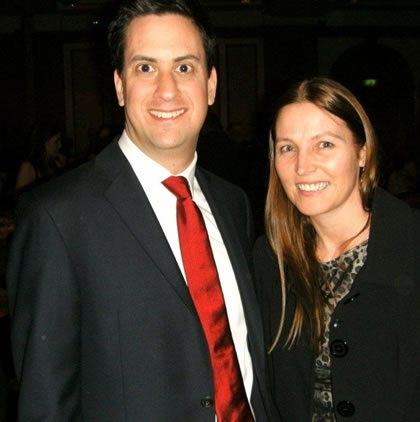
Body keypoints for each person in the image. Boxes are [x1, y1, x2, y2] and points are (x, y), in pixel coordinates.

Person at [7, 0, 271, 421]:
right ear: (118, 85)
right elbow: (46, 401)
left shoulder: (233, 203)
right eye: (145, 68)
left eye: (184, 67)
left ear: (211, 84)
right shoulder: (56, 218)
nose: (167, 90)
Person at [253, 77, 420, 421]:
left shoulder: (411, 246)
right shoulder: (270, 260)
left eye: (325, 145)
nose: (302, 166)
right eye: (288, 148)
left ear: (362, 152)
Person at [15, 122, 66, 193]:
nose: (60, 145)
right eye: (56, 141)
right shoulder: (28, 167)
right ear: (43, 143)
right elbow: (20, 199)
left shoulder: (54, 163)